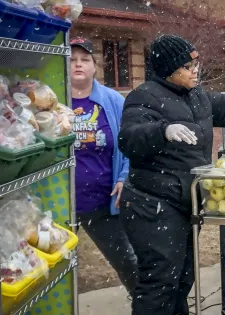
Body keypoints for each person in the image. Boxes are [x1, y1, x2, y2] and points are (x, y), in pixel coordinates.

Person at [117, 34, 225, 315]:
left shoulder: (196, 96)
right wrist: (162, 131)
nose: (195, 71)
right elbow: (128, 139)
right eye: (187, 67)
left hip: (182, 202)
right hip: (151, 204)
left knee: (182, 278)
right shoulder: (144, 96)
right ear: (168, 69)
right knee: (159, 283)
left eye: (195, 65)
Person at [70, 38, 138, 297]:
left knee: (128, 262)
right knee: (55, 271)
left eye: (85, 59)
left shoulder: (112, 101)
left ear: (95, 66)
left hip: (102, 202)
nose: (78, 64)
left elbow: (130, 144)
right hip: (61, 203)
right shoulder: (53, 99)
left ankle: (148, 307)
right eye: (72, 59)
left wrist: (124, 177)